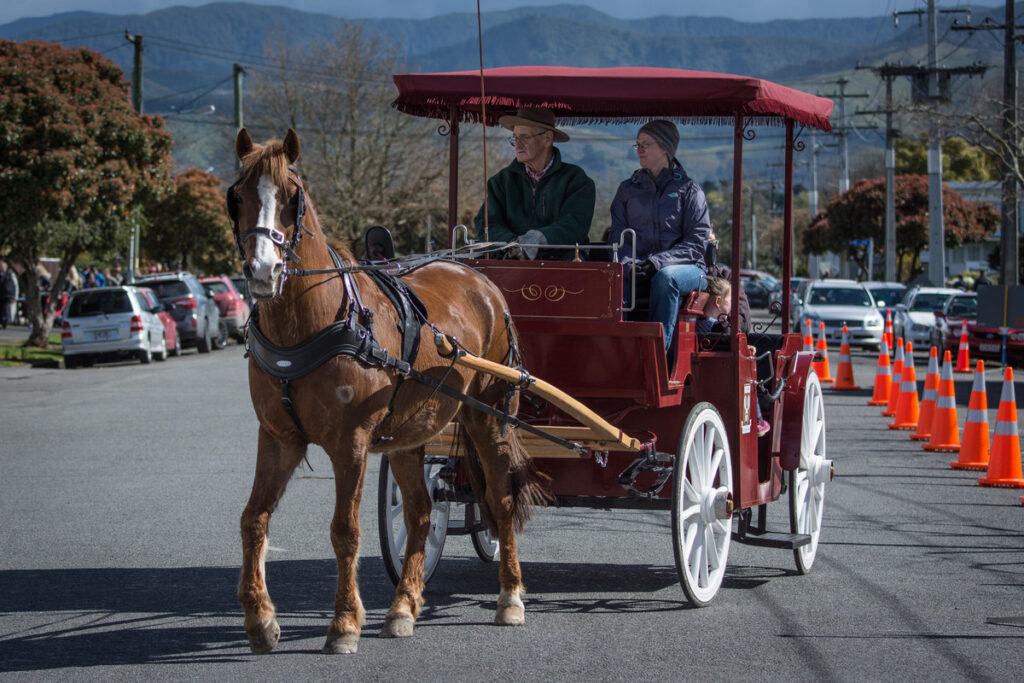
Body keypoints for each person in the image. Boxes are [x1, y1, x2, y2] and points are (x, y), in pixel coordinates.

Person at [608, 120, 710, 350]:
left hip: (689, 268)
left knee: (666, 278)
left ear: (665, 148)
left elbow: (695, 244)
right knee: (612, 277)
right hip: (638, 267)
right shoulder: (626, 189)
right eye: (637, 145)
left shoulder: (690, 190)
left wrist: (656, 263)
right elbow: (617, 237)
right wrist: (627, 264)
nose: (640, 150)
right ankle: (616, 351)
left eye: (646, 144)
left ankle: (657, 356)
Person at [474, 107, 595, 260]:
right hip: (511, 263)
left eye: (524, 138)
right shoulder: (501, 181)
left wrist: (539, 238)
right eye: (515, 138)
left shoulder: (576, 180)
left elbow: (575, 224)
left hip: (562, 264)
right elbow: (486, 223)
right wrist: (513, 244)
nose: (517, 145)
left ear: (547, 138)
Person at [698, 277, 770, 436]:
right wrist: (745, 348)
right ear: (718, 302)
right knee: (749, 371)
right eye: (730, 301)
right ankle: (757, 419)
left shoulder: (694, 326)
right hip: (725, 381)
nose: (733, 306)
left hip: (699, 378)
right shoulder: (723, 329)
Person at [0, 260, 18, 329]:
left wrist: (16, 295)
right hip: (1, 295)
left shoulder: (10, 274)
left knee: (6, 309)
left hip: (8, 295)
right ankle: (2, 321)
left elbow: (16, 285)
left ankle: (6, 322)